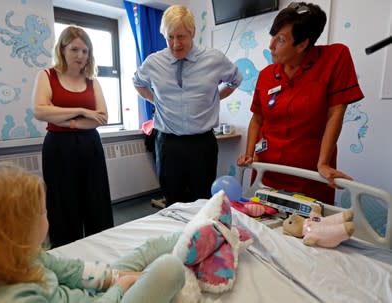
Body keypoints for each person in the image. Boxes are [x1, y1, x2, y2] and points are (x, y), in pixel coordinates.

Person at [0, 161, 185, 303]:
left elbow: (71, 270)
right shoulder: (15, 298)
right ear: (14, 231)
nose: (48, 215)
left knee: (145, 250)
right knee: (168, 269)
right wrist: (120, 288)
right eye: (43, 212)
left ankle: (195, 229)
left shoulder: (22, 253)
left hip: (91, 293)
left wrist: (112, 277)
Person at [237, 2, 364, 205]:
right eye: (273, 36)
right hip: (267, 171)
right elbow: (257, 119)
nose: (271, 46)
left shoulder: (335, 59)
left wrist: (323, 163)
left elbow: (336, 113)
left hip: (309, 173)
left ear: (303, 44)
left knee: (307, 231)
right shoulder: (267, 75)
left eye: (280, 40)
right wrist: (249, 155)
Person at [133, 5, 243, 206]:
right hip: (168, 143)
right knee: (173, 201)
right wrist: (155, 100)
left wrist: (214, 98)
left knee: (202, 202)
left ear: (192, 32)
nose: (175, 44)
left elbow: (235, 80)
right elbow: (138, 83)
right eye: (170, 37)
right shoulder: (153, 62)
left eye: (181, 36)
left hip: (202, 144)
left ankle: (202, 238)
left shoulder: (214, 59)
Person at [32, 25, 113, 247]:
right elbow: (40, 111)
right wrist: (83, 111)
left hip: (90, 145)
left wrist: (67, 120)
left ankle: (102, 249)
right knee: (63, 202)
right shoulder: (47, 75)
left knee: (95, 199)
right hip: (58, 147)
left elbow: (103, 117)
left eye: (85, 51)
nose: (80, 56)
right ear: (63, 49)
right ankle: (67, 253)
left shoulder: (92, 81)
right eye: (75, 49)